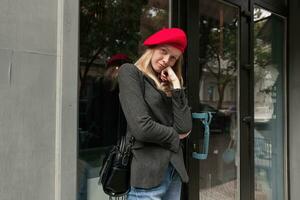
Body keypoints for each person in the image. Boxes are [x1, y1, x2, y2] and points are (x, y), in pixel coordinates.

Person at [118, 28, 192, 200]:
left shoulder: (169, 84)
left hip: (174, 171)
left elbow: (185, 126)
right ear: (152, 49)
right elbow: (141, 127)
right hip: (147, 173)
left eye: (173, 57)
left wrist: (175, 84)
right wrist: (176, 136)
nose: (166, 60)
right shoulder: (130, 73)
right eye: (163, 51)